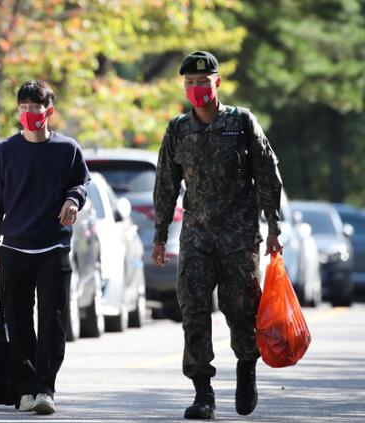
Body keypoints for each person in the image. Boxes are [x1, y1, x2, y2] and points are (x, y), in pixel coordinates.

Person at [152, 51, 283, 420]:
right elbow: (165, 185)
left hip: (239, 238)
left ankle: (246, 363)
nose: (196, 89)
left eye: (203, 82)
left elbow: (267, 175)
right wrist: (160, 235)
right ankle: (202, 392)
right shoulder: (177, 129)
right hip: (196, 237)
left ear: (217, 83)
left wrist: (273, 227)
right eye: (190, 83)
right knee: (193, 311)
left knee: (239, 310)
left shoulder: (241, 123)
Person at [0, 80, 91, 415]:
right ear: (18, 111)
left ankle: (45, 388)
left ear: (49, 111)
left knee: (53, 321)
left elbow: (82, 182)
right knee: (18, 319)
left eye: (35, 107)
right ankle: (25, 388)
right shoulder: (4, 151)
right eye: (24, 107)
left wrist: (73, 200)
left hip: (53, 247)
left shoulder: (67, 149)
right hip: (14, 248)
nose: (29, 113)